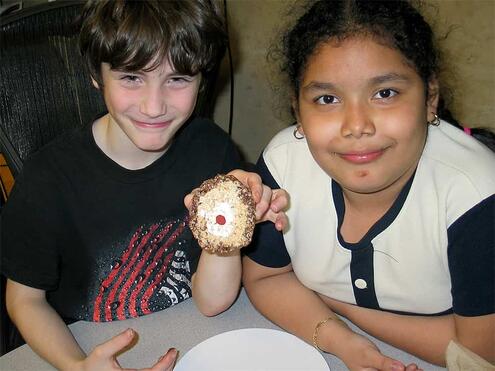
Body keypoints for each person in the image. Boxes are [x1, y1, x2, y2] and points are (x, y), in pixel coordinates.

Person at [0, 1, 287, 370]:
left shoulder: (212, 151)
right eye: (132, 77)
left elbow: (213, 303)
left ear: (202, 80)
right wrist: (76, 365)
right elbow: (25, 301)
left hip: (187, 331)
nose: (154, 107)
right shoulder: (48, 178)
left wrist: (229, 225)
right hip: (84, 343)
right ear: (96, 74)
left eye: (178, 79)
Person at [243, 1, 495, 370]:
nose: (356, 125)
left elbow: (478, 353)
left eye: (385, 93)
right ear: (298, 112)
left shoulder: (475, 198)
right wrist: (339, 339)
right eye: (327, 99)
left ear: (430, 99)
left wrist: (341, 306)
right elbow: (265, 277)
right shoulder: (283, 165)